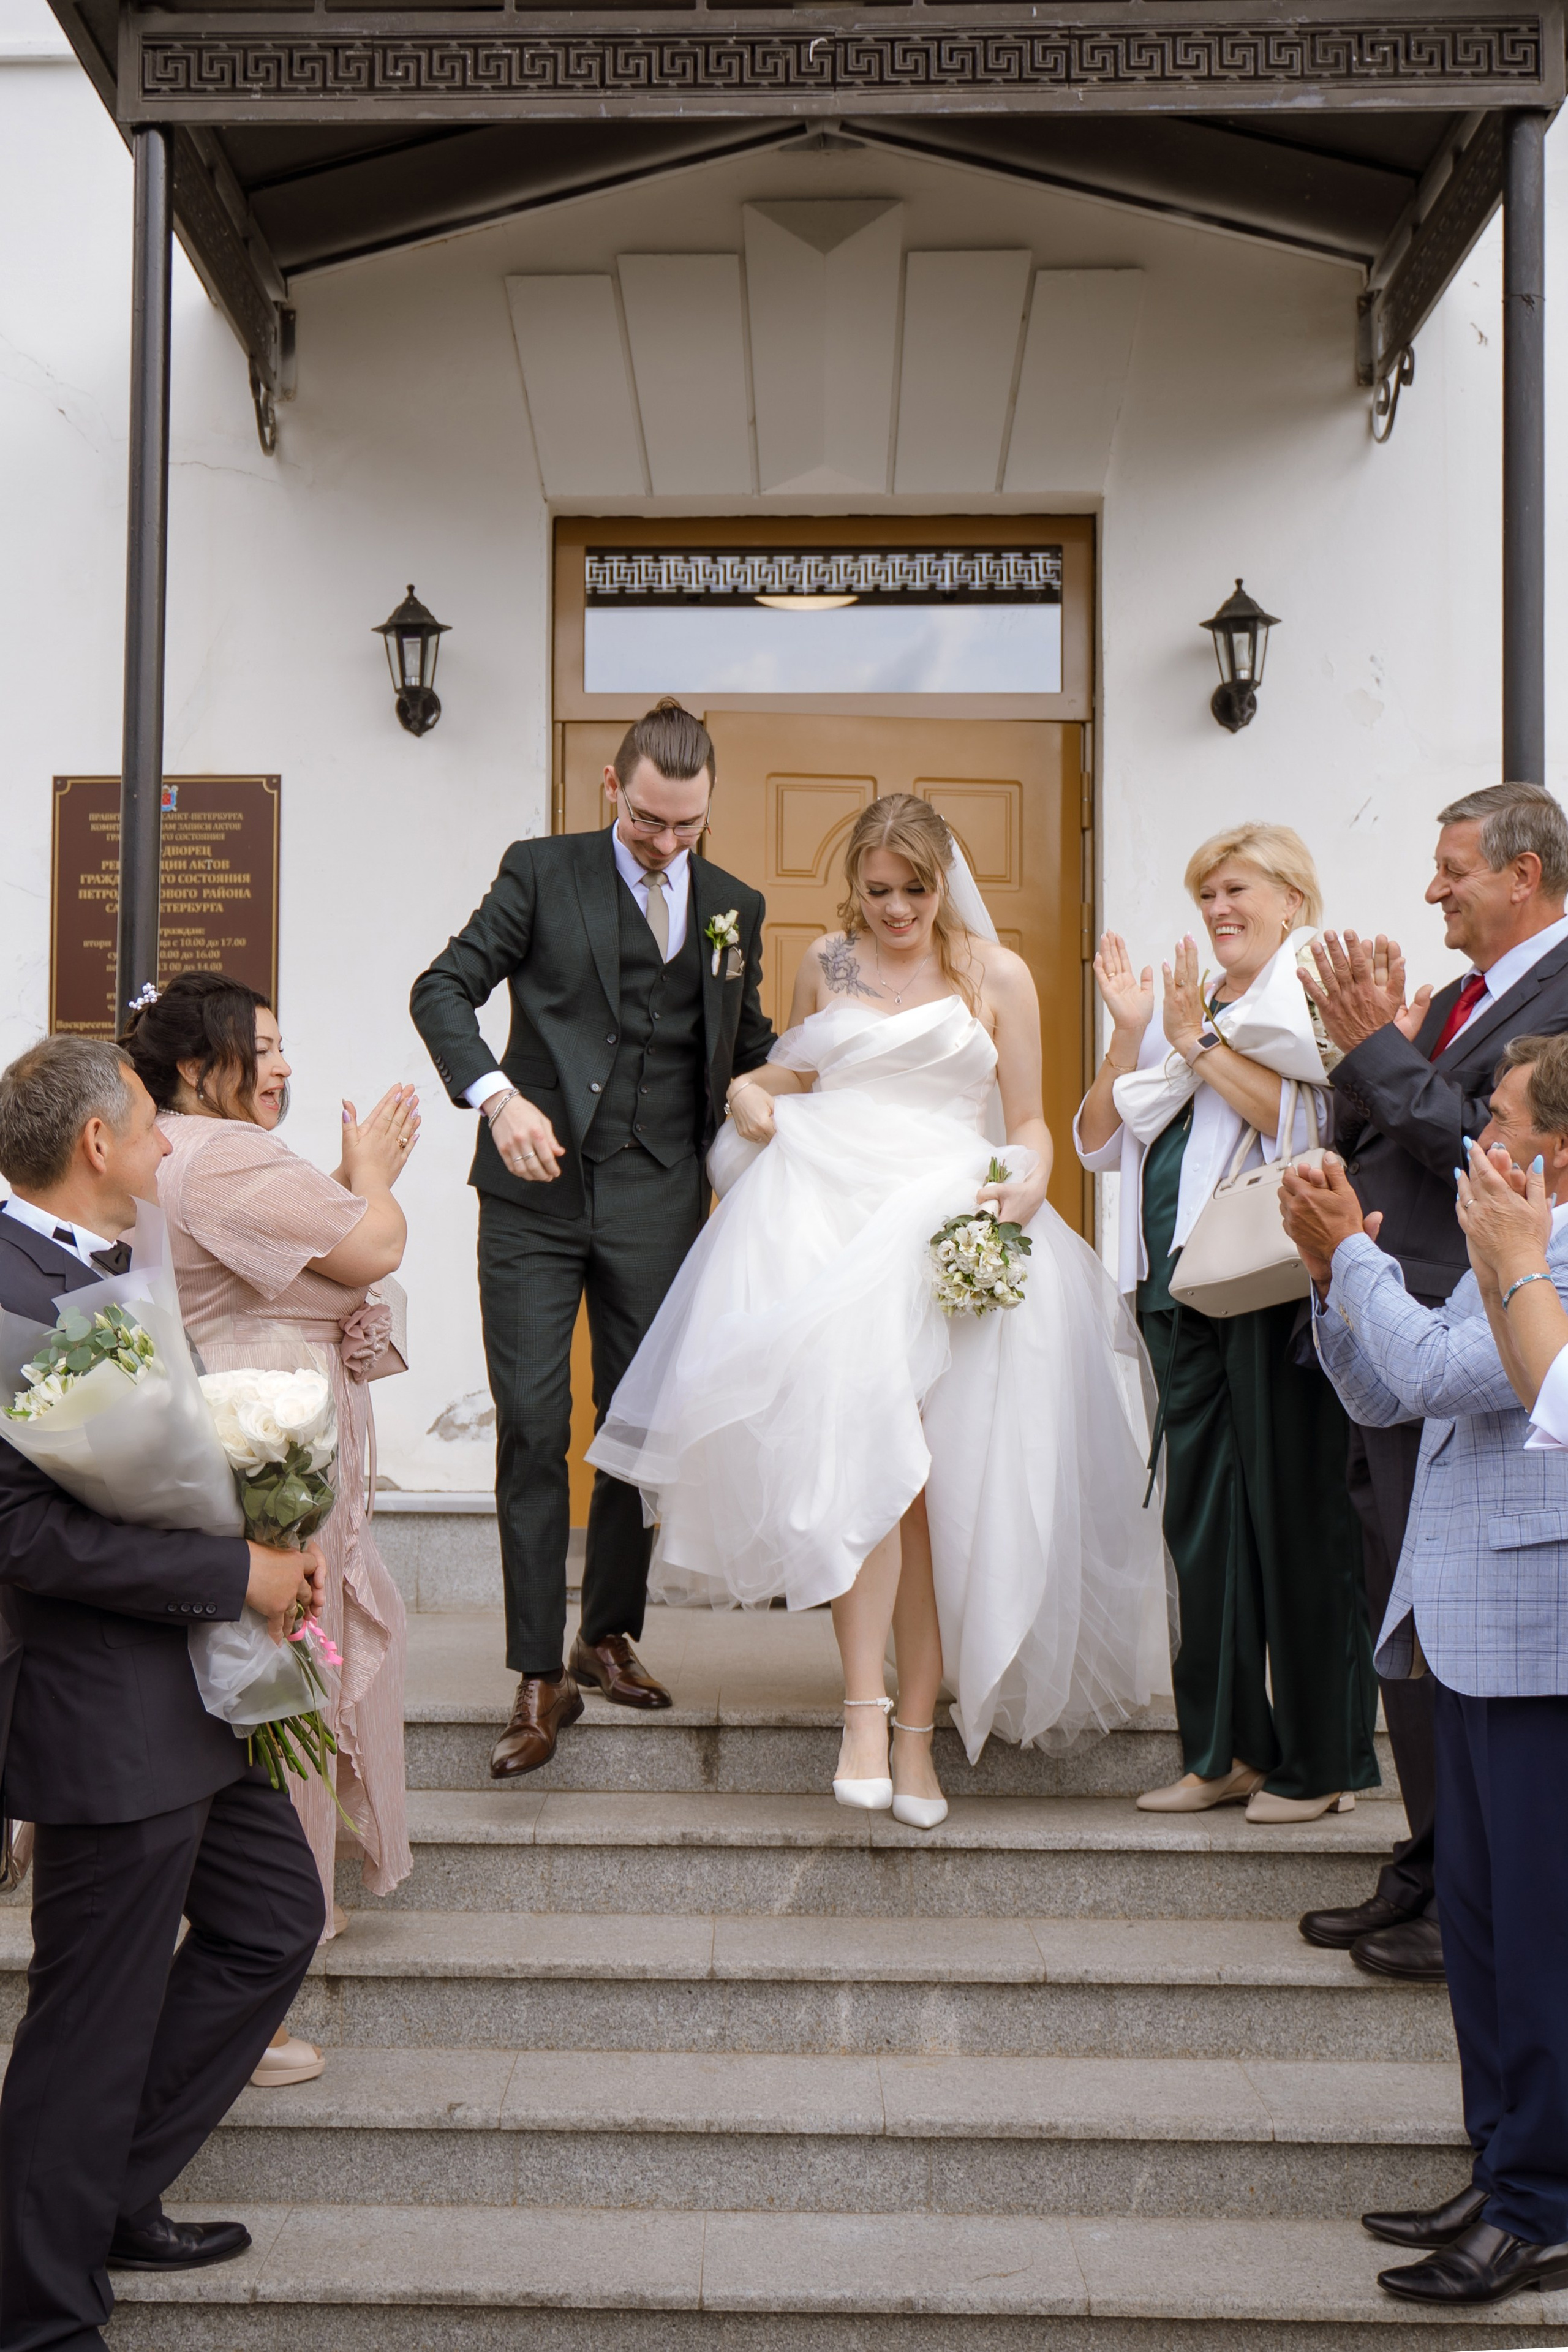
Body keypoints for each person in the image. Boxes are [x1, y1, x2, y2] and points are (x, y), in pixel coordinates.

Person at [587, 795, 1172, 1823]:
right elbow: (798, 1068)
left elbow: (1030, 1122)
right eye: (877, 891)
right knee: (864, 1467)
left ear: (945, 882)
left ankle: (914, 1739)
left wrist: (1030, 1180)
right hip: (833, 1228)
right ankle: (865, 1717)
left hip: (946, 1229)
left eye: (916, 889)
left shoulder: (999, 975)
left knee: (928, 1493)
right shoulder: (827, 964)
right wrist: (752, 1092)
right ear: (853, 885)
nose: (897, 909)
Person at [0, 1036, 325, 2348]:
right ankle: (37, 2310)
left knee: (272, 1921)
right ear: (97, 1145)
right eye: (149, 1124)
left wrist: (262, 1524)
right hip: (98, 1708)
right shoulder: (9, 1287)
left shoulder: (106, 1262)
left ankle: (105, 2195)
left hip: (195, 1689)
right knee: (91, 2015)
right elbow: (23, 1535)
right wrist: (232, 1570)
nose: (165, 1143)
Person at [410, 699, 774, 1775]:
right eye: (650, 820)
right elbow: (442, 989)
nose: (667, 843)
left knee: (637, 1422)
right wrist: (496, 1098)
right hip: (535, 1192)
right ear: (614, 787)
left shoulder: (734, 908)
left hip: (660, 1197)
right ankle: (539, 1673)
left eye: (688, 825)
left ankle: (606, 1632)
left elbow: (747, 1047)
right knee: (533, 1422)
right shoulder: (539, 871)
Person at [1280, 1036, 1568, 2310]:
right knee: (1483, 1931)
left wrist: (1352, 1256)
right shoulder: (1512, 1231)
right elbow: (1391, 1396)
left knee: (1539, 1940)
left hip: (1540, 1636)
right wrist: (1327, 1279)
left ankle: (1541, 2206)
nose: (1478, 1138)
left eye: (1498, 1119)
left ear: (1560, 1147)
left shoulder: (1547, 1249)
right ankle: (1503, 2168)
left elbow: (1445, 1368)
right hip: (1468, 1622)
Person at [1297, 781, 1568, 1981]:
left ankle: (1463, 1882)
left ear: (1523, 873)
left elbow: (1483, 1147)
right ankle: (1429, 1861)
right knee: (1408, 1611)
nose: (1430, 891)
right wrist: (1366, 1060)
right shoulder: (1464, 998)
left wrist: (1378, 1051)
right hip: (1401, 1315)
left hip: (1486, 1334)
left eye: (1452, 870)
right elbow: (1390, 1129)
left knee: (1463, 1634)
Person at [121, 973, 415, 2076]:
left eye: (287, 1044)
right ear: (199, 1067)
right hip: (265, 1444)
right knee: (278, 1689)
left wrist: (339, 1188)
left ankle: (240, 1970)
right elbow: (371, 1247)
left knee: (259, 1686)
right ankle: (252, 1995)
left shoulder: (174, 1152)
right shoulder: (225, 1155)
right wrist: (371, 1179)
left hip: (239, 1424)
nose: (284, 1064)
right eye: (265, 1044)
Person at [1076, 824, 1378, 1822]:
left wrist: (1200, 1047)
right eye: (1207, 894)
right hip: (1178, 1292)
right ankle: (1225, 1751)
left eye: (1237, 890)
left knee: (1296, 1517)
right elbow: (1096, 1141)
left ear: (1293, 901)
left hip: (1271, 1287)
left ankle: (1324, 1763)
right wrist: (1131, 1033)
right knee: (1200, 1527)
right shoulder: (1188, 1003)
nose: (1217, 910)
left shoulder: (1305, 1000)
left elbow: (1313, 1123)